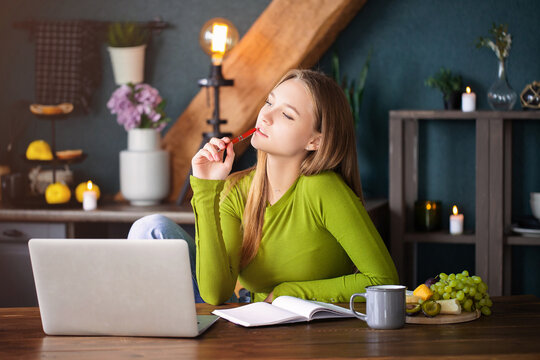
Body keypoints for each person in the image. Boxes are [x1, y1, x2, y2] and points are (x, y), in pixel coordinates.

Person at [129, 69, 398, 305]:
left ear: (315, 141)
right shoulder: (236, 190)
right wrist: (206, 189)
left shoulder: (323, 189)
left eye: (287, 115)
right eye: (269, 102)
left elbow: (382, 280)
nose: (266, 116)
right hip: (248, 318)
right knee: (150, 228)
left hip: (310, 331)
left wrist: (291, 292)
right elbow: (215, 294)